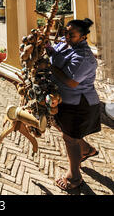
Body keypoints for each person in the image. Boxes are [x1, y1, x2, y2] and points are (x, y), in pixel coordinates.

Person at [46, 18, 101, 191]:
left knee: (70, 139)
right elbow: (55, 53)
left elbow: (71, 82)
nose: (67, 37)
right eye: (66, 33)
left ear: (83, 37)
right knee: (63, 129)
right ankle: (86, 149)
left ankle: (74, 177)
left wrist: (49, 67)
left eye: (72, 35)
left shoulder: (84, 57)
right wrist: (46, 47)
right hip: (63, 99)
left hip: (79, 104)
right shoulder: (66, 44)